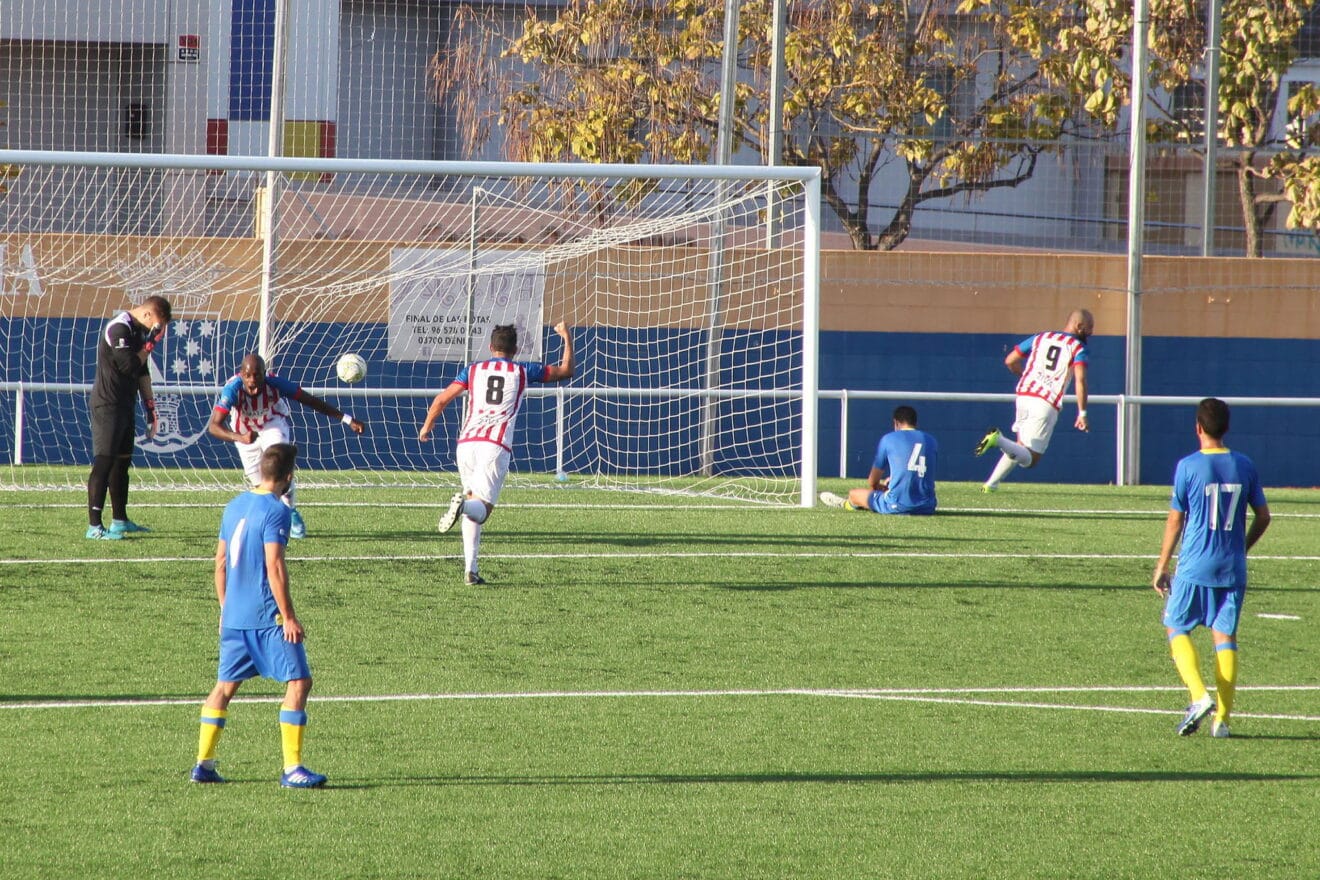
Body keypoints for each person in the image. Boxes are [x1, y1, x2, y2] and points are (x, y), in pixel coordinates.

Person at [191, 443, 327, 788]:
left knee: (224, 687)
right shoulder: (277, 510)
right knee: (299, 682)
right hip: (267, 617)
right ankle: (292, 768)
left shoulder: (234, 505)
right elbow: (274, 566)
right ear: (289, 477)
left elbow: (220, 564)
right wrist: (289, 616)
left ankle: (203, 764)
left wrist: (225, 607)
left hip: (234, 615)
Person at [418, 322, 575, 585]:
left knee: (472, 505)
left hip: (466, 444)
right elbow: (566, 371)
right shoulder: (523, 371)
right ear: (516, 349)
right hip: (494, 445)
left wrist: (427, 426)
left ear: (491, 347)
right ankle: (462, 506)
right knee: (481, 509)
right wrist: (566, 338)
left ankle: (471, 570)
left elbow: (441, 400)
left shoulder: (473, 370)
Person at [1153, 398, 1270, 739]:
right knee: (1225, 637)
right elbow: (1264, 517)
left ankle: (1198, 695)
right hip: (1232, 568)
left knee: (1176, 625)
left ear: (1198, 428)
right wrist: (1242, 548)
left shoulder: (1188, 466)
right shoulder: (1245, 465)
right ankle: (1223, 720)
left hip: (1195, 565)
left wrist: (1162, 565)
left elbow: (1175, 521)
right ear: (1226, 428)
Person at [208, 353, 365, 539]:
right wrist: (240, 437)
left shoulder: (276, 384)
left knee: (278, 469)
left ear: (264, 374)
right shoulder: (232, 389)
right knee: (261, 485)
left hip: (272, 424)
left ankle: (290, 512)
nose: (252, 381)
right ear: (241, 374)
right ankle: (271, 517)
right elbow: (214, 426)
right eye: (248, 375)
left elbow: (311, 401)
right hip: (244, 430)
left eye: (257, 375)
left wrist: (347, 419)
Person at [974, 309, 1093, 492]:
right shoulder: (1078, 347)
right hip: (1045, 402)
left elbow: (1010, 360)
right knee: (1030, 460)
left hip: (1024, 395)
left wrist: (1026, 376)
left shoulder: (1041, 337)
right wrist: (1082, 413)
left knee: (1020, 447)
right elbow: (1080, 379)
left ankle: (991, 484)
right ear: (1079, 326)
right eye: (1089, 327)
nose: (1091, 332)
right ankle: (998, 440)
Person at [85, 294, 173, 540]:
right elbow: (128, 366)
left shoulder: (138, 333)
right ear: (147, 314)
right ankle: (94, 527)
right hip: (108, 404)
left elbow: (142, 371)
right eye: (156, 324)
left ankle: (119, 520)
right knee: (104, 462)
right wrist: (150, 344)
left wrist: (151, 409)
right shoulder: (119, 328)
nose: (156, 330)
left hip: (125, 404)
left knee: (122, 463)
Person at [819, 405, 938, 515]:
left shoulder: (888, 439)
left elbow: (872, 481)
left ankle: (845, 504)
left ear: (896, 423)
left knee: (854, 494)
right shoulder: (931, 441)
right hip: (928, 506)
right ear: (915, 423)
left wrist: (881, 487)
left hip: (897, 505)